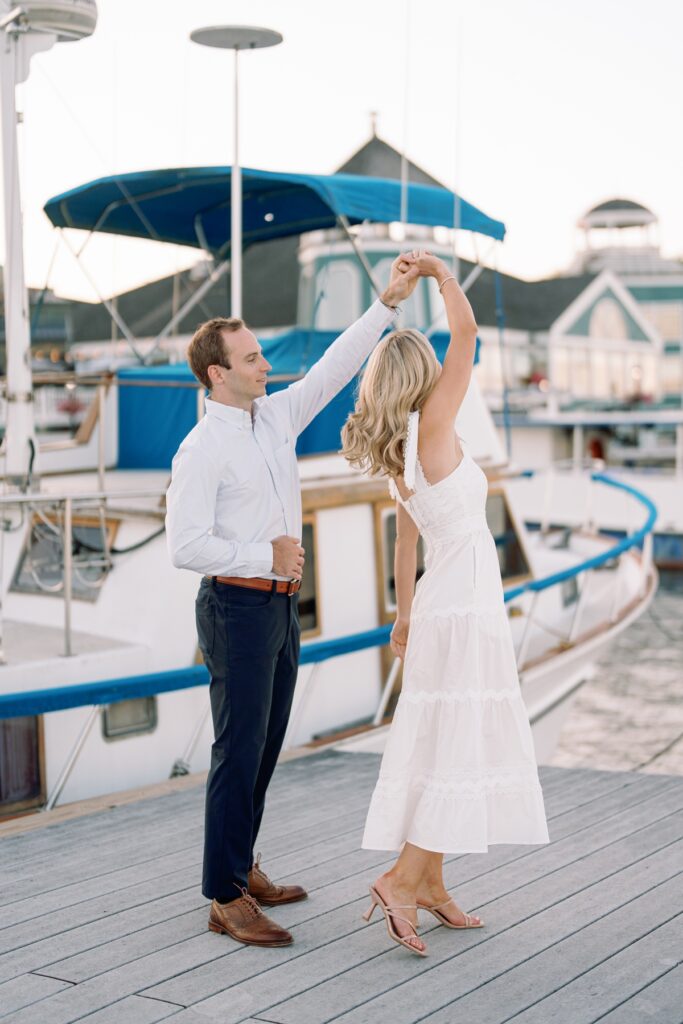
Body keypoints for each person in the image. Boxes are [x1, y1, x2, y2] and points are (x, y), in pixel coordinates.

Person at [165, 254, 420, 949]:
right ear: (217, 373)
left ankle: (241, 865)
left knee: (266, 745)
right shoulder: (199, 449)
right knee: (236, 749)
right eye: (250, 358)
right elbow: (184, 545)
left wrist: (387, 304)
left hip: (277, 608)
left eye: (260, 355)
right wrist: (263, 556)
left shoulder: (273, 417)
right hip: (235, 607)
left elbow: (336, 366)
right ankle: (223, 896)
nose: (263, 365)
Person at [340, 250, 550, 956]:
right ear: (421, 378)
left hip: (439, 605)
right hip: (461, 601)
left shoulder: (400, 449)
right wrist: (439, 276)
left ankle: (427, 884)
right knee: (458, 745)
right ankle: (401, 881)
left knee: (444, 746)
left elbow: (405, 546)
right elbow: (466, 337)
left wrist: (402, 617)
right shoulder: (434, 419)